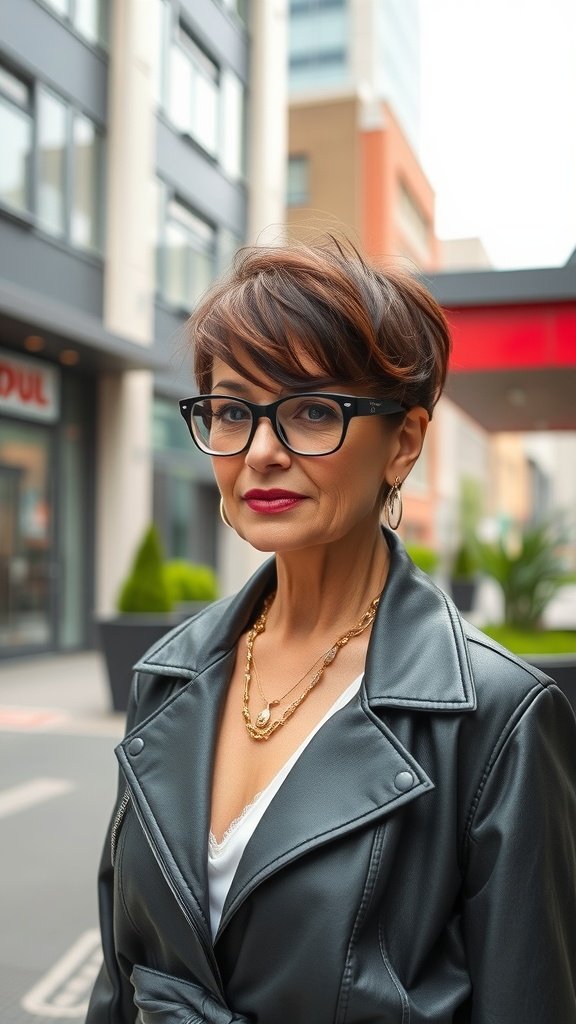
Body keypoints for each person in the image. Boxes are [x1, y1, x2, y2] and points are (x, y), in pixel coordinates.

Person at [87, 239, 576, 1024]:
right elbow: (118, 979)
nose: (263, 452)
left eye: (314, 411)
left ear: (405, 442)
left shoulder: (498, 720)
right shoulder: (168, 676)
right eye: (234, 409)